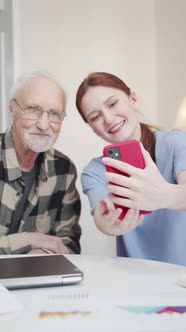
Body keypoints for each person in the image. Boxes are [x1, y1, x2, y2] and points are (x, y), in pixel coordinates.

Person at [76, 71, 186, 266]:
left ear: (132, 98)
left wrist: (163, 195)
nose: (108, 119)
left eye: (112, 104)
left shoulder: (175, 143)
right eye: (95, 116)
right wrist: (110, 223)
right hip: (135, 282)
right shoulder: (94, 171)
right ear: (93, 128)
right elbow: (102, 218)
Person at [0, 71, 81, 255]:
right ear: (12, 110)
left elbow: (68, 242)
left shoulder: (63, 169)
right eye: (33, 110)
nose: (44, 125)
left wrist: (43, 254)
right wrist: (31, 240)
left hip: (37, 279)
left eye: (54, 113)